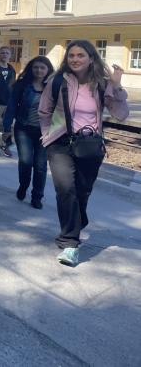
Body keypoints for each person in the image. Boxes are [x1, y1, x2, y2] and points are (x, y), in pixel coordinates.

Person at [38, 40, 128, 266]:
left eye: (80, 55)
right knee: (65, 189)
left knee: (82, 192)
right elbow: (44, 110)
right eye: (71, 55)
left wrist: (116, 85)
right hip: (60, 144)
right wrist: (47, 135)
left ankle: (77, 219)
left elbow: (121, 114)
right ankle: (70, 243)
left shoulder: (102, 83)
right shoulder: (57, 80)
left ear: (91, 58)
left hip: (90, 145)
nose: (75, 59)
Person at [1, 56, 54, 209]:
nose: (39, 70)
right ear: (31, 68)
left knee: (40, 164)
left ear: (48, 69)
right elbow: (11, 106)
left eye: (42, 68)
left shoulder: (54, 86)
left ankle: (37, 196)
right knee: (26, 161)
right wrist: (6, 128)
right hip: (24, 128)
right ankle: (23, 186)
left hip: (45, 131)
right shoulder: (23, 84)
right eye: (36, 67)